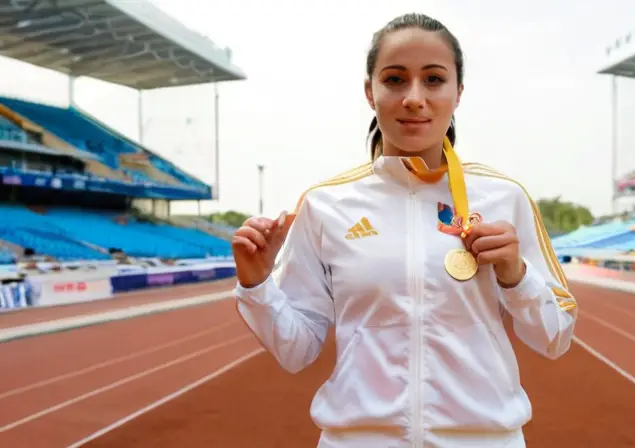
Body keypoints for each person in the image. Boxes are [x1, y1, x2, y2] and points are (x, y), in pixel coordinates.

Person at [232, 12, 578, 448]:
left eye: (434, 80)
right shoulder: (325, 205)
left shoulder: (503, 198)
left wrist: (516, 274)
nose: (415, 97)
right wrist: (257, 283)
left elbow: (555, 337)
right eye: (395, 79)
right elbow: (297, 351)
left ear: (459, 93)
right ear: (369, 91)